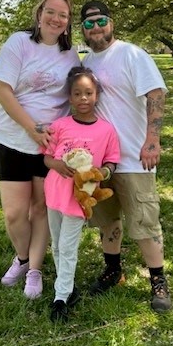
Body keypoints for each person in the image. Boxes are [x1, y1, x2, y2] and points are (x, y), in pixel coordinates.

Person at [0, 0, 81, 300]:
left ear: (69, 23)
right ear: (39, 13)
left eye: (63, 15)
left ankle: (35, 270)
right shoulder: (19, 42)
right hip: (13, 138)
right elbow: (3, 91)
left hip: (49, 146)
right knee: (15, 213)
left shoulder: (70, 55)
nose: (56, 19)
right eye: (51, 12)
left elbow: (76, 95)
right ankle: (23, 259)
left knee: (40, 209)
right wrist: (31, 129)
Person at [81, 0, 172, 312]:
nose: (96, 27)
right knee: (107, 220)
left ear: (111, 23)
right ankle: (113, 270)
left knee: (145, 222)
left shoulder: (132, 54)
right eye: (89, 23)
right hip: (100, 162)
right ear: (83, 29)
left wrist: (152, 139)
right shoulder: (85, 63)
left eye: (101, 20)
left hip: (134, 157)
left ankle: (158, 281)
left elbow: (156, 93)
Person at [43, 66, 121, 323]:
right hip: (55, 192)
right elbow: (46, 157)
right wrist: (55, 164)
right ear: (70, 97)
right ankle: (68, 286)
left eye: (88, 93)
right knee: (56, 244)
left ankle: (61, 297)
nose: (83, 98)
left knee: (67, 247)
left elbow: (111, 162)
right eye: (77, 93)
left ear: (97, 95)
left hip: (79, 197)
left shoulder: (106, 130)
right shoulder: (60, 125)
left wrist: (101, 174)